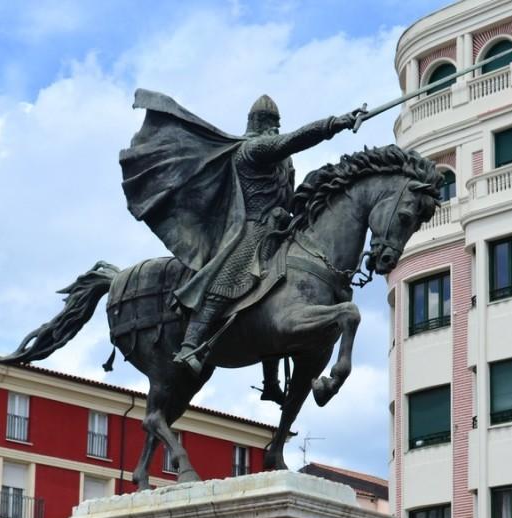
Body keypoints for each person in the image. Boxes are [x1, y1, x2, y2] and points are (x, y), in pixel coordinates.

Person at [120, 91, 365, 376]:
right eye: (271, 122)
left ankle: (272, 376)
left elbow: (287, 195)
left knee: (289, 288)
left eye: (277, 122)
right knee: (232, 277)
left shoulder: (284, 162)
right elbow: (295, 139)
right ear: (259, 123)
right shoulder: (252, 149)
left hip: (279, 227)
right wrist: (336, 123)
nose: (274, 127)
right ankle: (191, 343)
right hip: (251, 228)